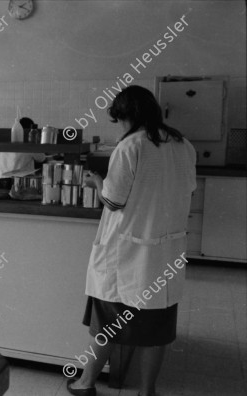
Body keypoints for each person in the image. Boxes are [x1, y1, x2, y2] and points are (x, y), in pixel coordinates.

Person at [66, 86, 196, 396]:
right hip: (165, 252)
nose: (120, 127)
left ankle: (85, 384)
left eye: (120, 120)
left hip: (126, 252)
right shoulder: (182, 144)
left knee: (107, 323)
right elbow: (187, 190)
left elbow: (112, 201)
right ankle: (147, 390)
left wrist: (96, 181)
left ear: (128, 116)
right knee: (157, 328)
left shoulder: (130, 147)